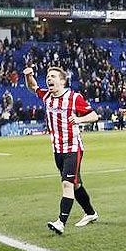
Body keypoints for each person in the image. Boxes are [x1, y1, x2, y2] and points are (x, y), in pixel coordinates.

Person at [23, 66, 99, 235]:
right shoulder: (47, 96)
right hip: (57, 150)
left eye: (53, 76)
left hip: (73, 148)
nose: (49, 79)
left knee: (67, 184)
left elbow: (94, 116)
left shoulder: (73, 97)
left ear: (63, 81)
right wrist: (29, 75)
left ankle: (61, 222)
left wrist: (79, 119)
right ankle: (91, 213)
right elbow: (33, 87)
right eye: (48, 76)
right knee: (75, 184)